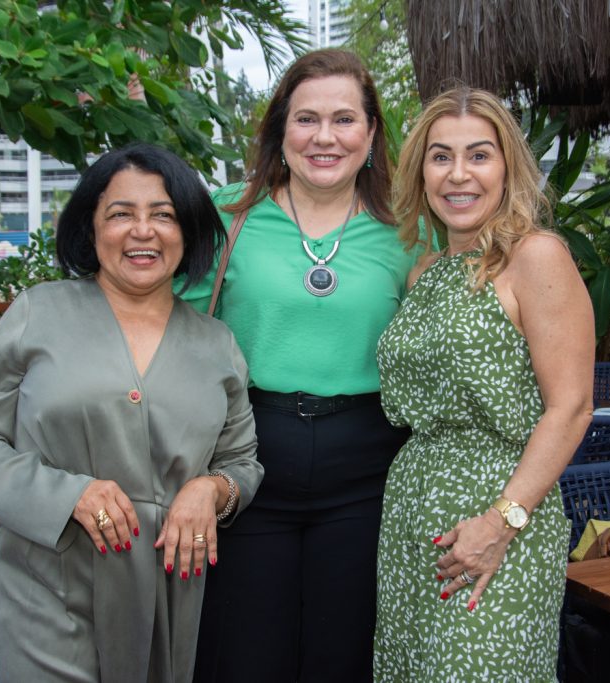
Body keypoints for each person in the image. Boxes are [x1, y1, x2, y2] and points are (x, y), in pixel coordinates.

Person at [0, 143, 263, 682]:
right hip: (50, 583)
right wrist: (68, 495)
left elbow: (242, 462)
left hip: (169, 592)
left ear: (186, 231)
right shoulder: (37, 314)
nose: (143, 231)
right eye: (121, 214)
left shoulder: (217, 345)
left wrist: (211, 491)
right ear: (91, 229)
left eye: (163, 214)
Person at [185, 50, 423, 682]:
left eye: (344, 119)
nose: (325, 136)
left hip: (368, 468)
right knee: (246, 653)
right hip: (249, 459)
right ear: (279, 132)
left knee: (343, 654)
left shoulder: (410, 228)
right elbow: (166, 324)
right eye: (306, 118)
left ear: (371, 134)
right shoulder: (226, 214)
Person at [373, 87, 595, 681]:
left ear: (507, 168)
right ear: (421, 172)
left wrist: (501, 523)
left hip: (502, 517)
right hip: (413, 517)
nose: (458, 174)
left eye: (479, 155)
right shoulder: (427, 268)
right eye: (440, 156)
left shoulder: (536, 256)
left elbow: (571, 408)